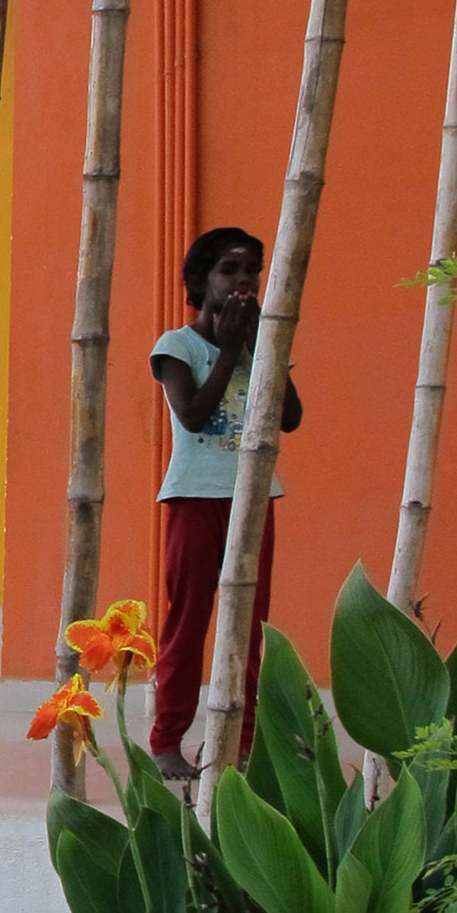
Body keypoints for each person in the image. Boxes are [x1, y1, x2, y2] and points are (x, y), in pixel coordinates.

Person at [148, 226, 303, 786]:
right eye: (228, 270)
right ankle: (167, 741)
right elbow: (193, 415)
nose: (243, 281)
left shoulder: (263, 343)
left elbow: (290, 417)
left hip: (254, 497)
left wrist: (260, 345)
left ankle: (243, 739)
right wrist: (231, 348)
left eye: (251, 271)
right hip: (195, 496)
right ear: (201, 280)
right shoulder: (178, 346)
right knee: (189, 619)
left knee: (249, 621)